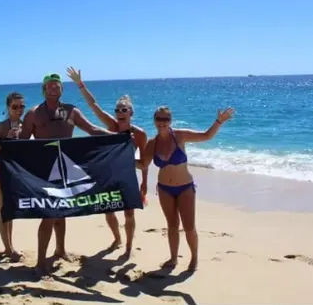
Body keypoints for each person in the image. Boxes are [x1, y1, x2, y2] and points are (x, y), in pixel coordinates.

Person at [19, 72, 113, 275]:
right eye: (50, 86)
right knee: (49, 214)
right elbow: (23, 143)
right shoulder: (34, 114)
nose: (54, 88)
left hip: (66, 168)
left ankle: (60, 250)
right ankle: (40, 263)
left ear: (62, 89)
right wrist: (4, 143)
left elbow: (92, 130)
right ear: (44, 90)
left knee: (61, 212)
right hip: (45, 171)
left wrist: (116, 137)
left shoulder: (71, 111)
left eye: (57, 86)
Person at [138, 105, 234, 271]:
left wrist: (219, 121)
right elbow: (142, 164)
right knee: (172, 225)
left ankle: (194, 258)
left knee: (189, 227)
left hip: (185, 188)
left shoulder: (180, 136)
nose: (162, 122)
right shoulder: (152, 144)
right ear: (154, 120)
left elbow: (206, 136)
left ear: (170, 121)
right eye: (159, 119)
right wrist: (119, 158)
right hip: (164, 189)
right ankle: (174, 258)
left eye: (165, 119)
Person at [67, 66, 147, 257]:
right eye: (118, 109)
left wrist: (144, 183)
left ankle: (128, 246)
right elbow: (94, 106)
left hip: (127, 177)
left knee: (129, 214)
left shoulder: (140, 134)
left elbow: (144, 162)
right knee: (108, 210)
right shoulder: (111, 125)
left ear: (131, 113)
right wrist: (80, 84)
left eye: (124, 110)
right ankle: (117, 238)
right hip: (108, 176)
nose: (120, 112)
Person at [0, 92, 26, 261]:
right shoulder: (1, 127)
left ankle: (9, 247)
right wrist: (6, 140)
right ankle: (9, 249)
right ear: (8, 108)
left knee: (11, 212)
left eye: (21, 106)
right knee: (4, 213)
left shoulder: (25, 126)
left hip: (14, 176)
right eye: (15, 107)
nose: (19, 110)